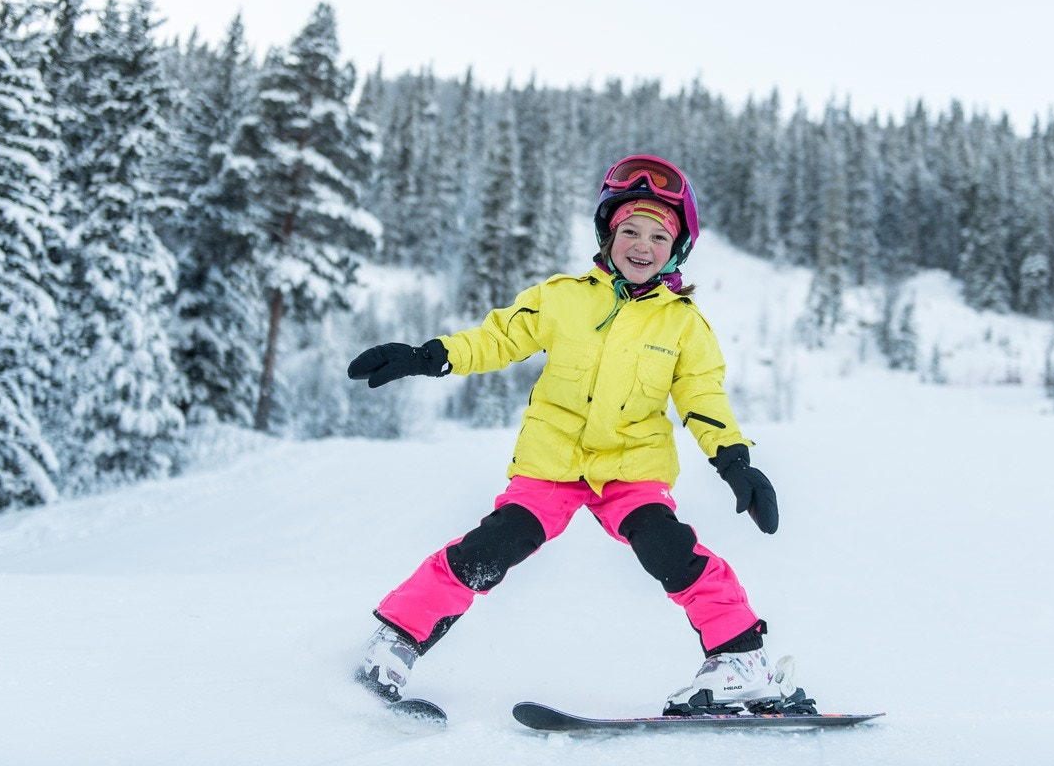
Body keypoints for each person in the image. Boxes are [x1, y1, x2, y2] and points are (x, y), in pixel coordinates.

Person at [347, 154, 811, 716]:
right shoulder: (562, 297)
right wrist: (429, 356)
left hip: (632, 469)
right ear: (607, 234)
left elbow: (703, 398)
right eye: (630, 231)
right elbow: (497, 339)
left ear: (676, 249)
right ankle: (393, 643)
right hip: (553, 465)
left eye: (659, 236)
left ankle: (742, 662)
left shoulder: (685, 323)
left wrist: (734, 461)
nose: (642, 245)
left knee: (670, 549)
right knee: (492, 547)